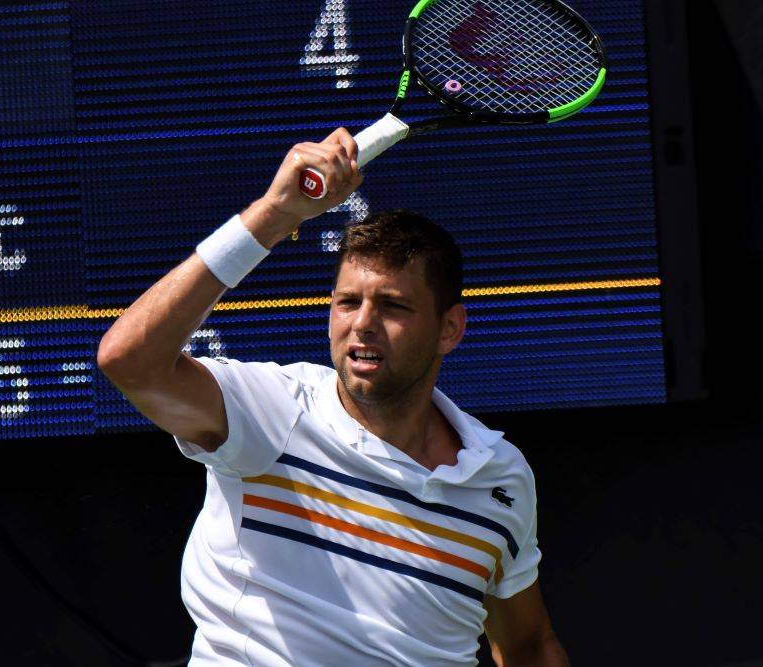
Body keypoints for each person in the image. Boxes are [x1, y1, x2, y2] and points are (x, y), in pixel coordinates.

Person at [97, 129, 569, 666]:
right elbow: (128, 360)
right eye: (347, 302)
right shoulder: (273, 411)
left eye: (392, 306)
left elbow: (528, 646)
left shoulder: (501, 479)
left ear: (450, 329)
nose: (362, 324)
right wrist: (277, 212)